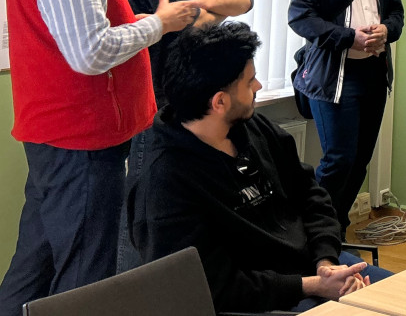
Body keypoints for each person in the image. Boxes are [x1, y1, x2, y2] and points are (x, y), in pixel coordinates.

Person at [0, 0, 199, 315]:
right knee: (85, 281)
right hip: (81, 141)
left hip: (59, 136)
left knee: (36, 267)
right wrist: (159, 22)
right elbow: (90, 52)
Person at [127, 23, 392, 312]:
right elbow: (211, 287)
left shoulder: (253, 127)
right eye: (250, 81)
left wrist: (326, 262)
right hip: (257, 301)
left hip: (311, 269)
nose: (258, 87)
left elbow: (312, 196)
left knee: (405, 296)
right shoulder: (166, 182)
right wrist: (313, 285)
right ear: (220, 101)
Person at [118, 0, 255, 271]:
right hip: (157, 101)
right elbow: (191, 22)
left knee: (191, 205)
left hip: (196, 99)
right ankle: (132, 293)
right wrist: (217, 3)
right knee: (145, 208)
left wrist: (206, 2)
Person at [289, 0, 404, 236]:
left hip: (373, 74)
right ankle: (311, 235)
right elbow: (300, 17)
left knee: (359, 163)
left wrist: (387, 31)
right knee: (338, 161)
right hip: (333, 78)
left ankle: (333, 232)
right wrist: (347, 37)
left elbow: (397, 14)